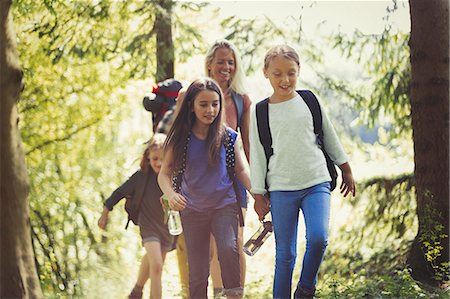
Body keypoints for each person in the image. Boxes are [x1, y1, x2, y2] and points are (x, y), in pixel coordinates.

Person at [249, 45, 356, 299]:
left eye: (291, 73)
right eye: (277, 74)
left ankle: (306, 289)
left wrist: (347, 170)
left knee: (318, 238)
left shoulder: (309, 100)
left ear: (298, 71)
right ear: (266, 73)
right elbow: (258, 155)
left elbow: (329, 137)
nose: (285, 80)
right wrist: (258, 195)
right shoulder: (261, 111)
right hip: (281, 189)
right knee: (285, 255)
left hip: (315, 181)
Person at [158, 78, 251, 299]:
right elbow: (164, 173)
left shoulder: (228, 136)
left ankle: (234, 296)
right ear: (191, 105)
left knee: (229, 248)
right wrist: (171, 195)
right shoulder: (180, 138)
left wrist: (258, 193)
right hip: (193, 210)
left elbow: (241, 170)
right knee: (198, 269)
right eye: (204, 104)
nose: (210, 110)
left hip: (225, 205)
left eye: (215, 104)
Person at [97, 133, 173, 299]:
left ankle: (136, 291)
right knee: (157, 265)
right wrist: (104, 214)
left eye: (162, 158)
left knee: (154, 261)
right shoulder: (141, 177)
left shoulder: (173, 176)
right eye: (154, 159)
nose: (158, 163)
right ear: (147, 158)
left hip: (167, 227)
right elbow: (118, 193)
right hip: (148, 225)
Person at [204, 39, 252, 298]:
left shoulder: (242, 100)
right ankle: (218, 293)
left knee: (235, 242)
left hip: (234, 181)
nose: (226, 67)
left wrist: (257, 189)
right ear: (210, 64)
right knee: (214, 246)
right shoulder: (197, 95)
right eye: (220, 61)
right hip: (205, 183)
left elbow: (247, 147)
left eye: (230, 62)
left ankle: (237, 295)